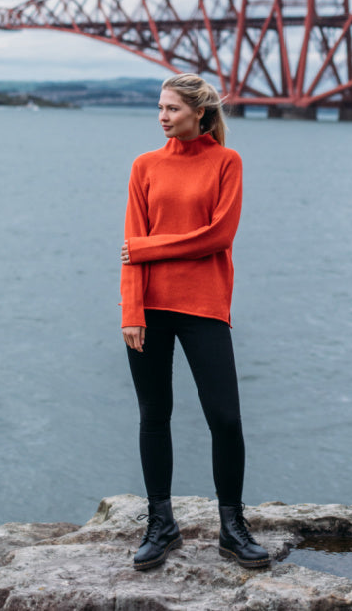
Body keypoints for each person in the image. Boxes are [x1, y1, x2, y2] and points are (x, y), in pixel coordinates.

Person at [120, 73, 270, 572]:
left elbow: (218, 236)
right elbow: (130, 247)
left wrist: (149, 245)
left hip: (205, 305)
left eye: (171, 110)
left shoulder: (227, 162)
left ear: (199, 113)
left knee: (225, 418)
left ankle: (232, 527)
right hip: (151, 309)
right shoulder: (145, 165)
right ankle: (161, 524)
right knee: (153, 415)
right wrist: (131, 311)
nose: (162, 117)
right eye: (160, 108)